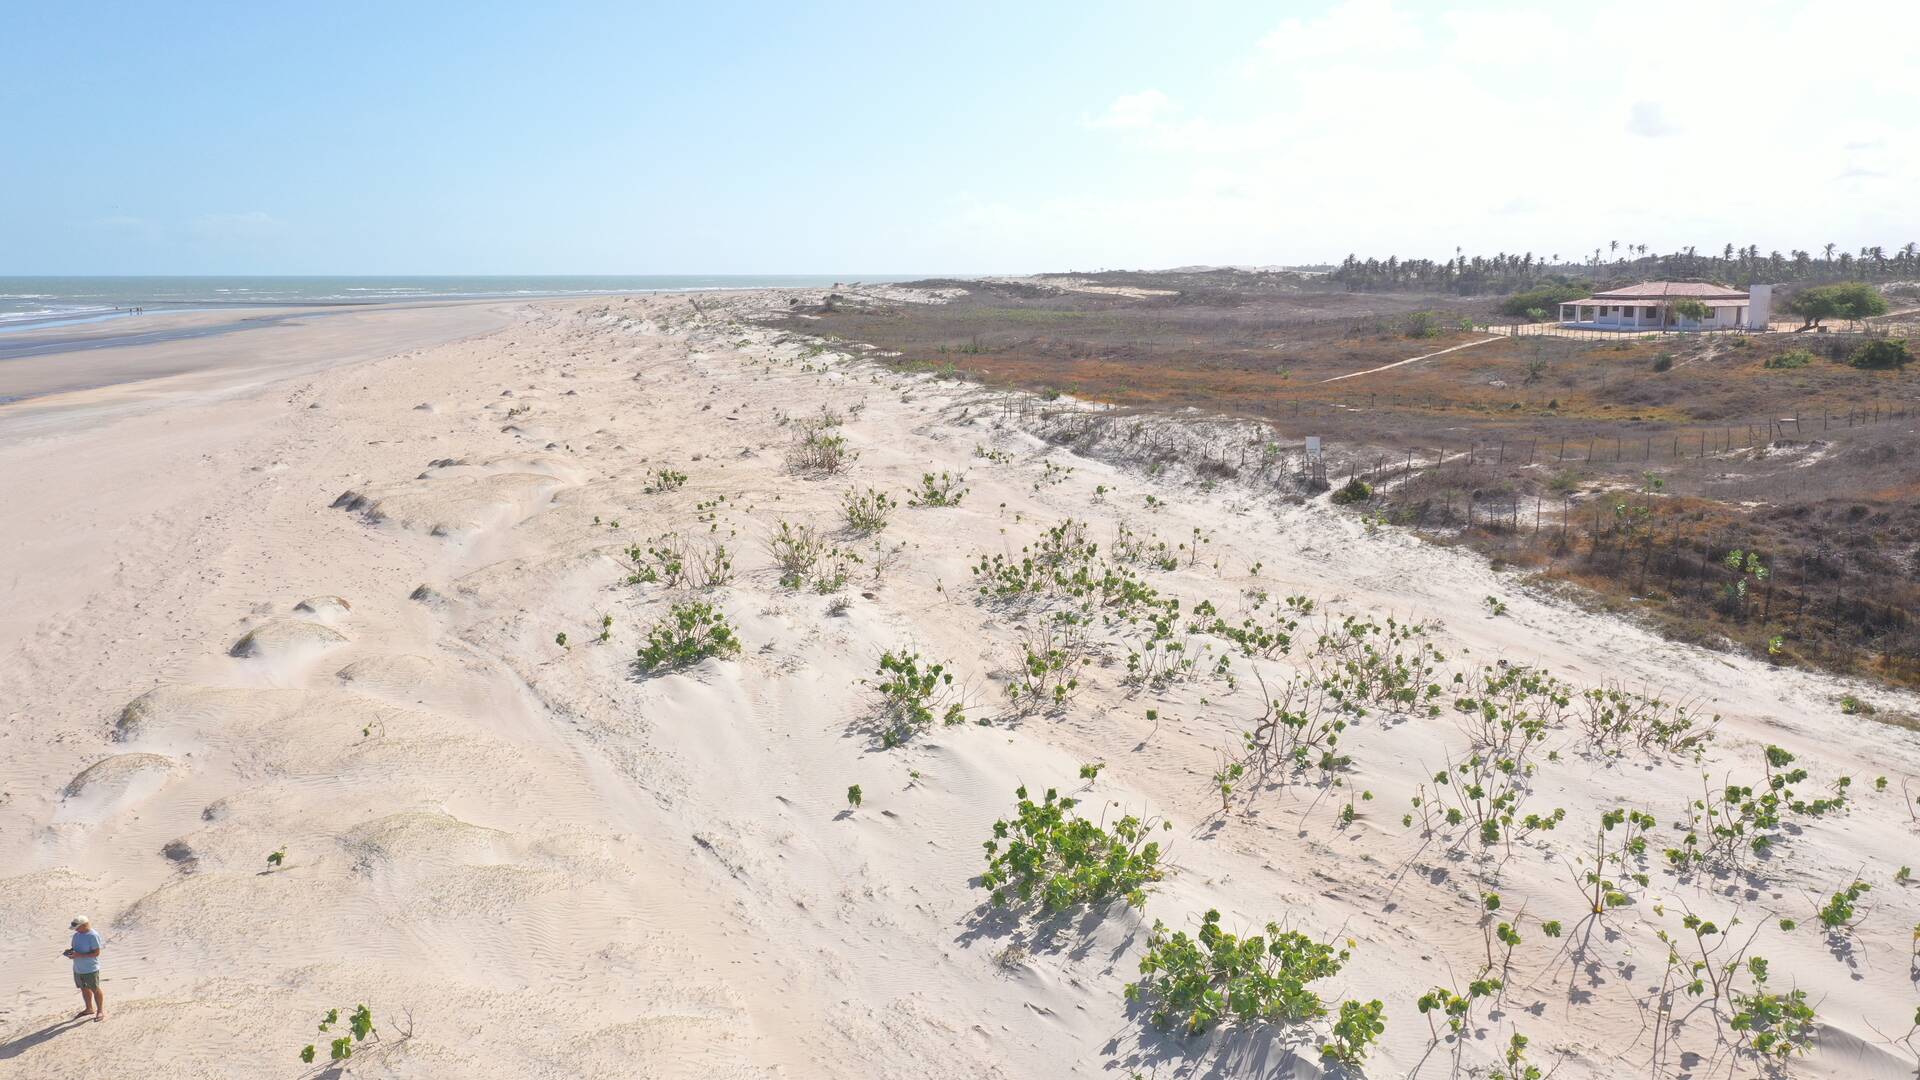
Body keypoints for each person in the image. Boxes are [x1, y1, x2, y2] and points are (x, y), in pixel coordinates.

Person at [63, 916, 104, 1021]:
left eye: (77, 927)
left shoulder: (93, 935)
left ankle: (100, 1011)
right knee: (84, 989)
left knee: (95, 989)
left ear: (84, 925)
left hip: (90, 969)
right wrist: (70, 952)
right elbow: (75, 949)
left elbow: (96, 953)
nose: (75, 930)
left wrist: (79, 955)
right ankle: (89, 1009)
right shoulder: (76, 935)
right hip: (78, 968)